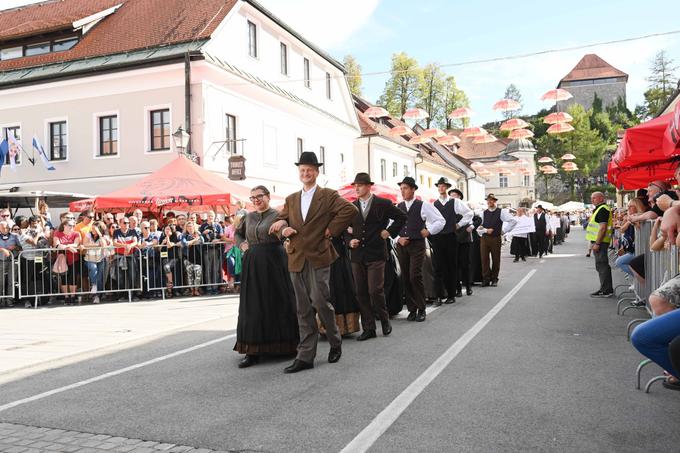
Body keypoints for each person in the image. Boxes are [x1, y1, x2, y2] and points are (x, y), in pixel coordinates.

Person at [269, 151, 357, 373]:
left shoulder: (327, 195)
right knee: (303, 308)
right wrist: (283, 228)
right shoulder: (291, 199)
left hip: (319, 255)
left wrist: (330, 231)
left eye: (309, 170)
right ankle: (305, 356)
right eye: (302, 170)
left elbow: (349, 210)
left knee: (319, 302)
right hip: (296, 257)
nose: (305, 173)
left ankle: (335, 341)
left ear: (317, 172)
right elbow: (280, 219)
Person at [233, 185, 299, 368]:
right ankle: (252, 351)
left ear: (268, 197)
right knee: (253, 306)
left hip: (274, 262)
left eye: (259, 196)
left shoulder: (277, 215)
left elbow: (283, 229)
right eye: (252, 197)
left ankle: (285, 346)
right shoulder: (248, 217)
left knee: (278, 302)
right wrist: (242, 245)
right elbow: (237, 234)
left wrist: (284, 231)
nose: (256, 200)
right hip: (252, 263)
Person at [347, 172, 407, 341]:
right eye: (355, 185)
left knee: (375, 290)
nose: (356, 188)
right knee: (361, 292)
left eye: (359, 185)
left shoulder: (383, 203)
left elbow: (401, 217)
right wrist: (350, 241)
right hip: (357, 255)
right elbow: (345, 228)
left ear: (368, 186)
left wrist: (389, 232)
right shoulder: (351, 206)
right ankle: (369, 328)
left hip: (376, 253)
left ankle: (385, 319)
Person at [395, 176, 445, 322]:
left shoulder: (423, 206)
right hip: (402, 245)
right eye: (401, 189)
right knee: (405, 277)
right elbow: (391, 226)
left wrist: (429, 230)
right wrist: (398, 238)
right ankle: (412, 309)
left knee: (414, 275)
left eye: (405, 188)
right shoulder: (398, 207)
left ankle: (421, 308)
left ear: (413, 190)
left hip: (417, 244)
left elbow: (440, 220)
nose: (402, 191)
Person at [430, 178, 473, 306]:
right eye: (439, 186)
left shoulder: (454, 202)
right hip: (438, 237)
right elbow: (429, 219)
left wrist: (459, 224)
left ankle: (451, 294)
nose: (441, 188)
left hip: (450, 236)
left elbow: (469, 213)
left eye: (443, 186)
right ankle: (438, 295)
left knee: (451, 266)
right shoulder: (434, 204)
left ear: (447, 187)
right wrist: (432, 230)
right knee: (438, 266)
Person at [478, 194, 515, 287]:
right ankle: (486, 279)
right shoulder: (483, 213)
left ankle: (494, 279)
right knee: (484, 259)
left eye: (491, 200)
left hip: (495, 238)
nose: (489, 202)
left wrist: (504, 231)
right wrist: (483, 229)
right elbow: (478, 227)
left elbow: (513, 221)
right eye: (488, 200)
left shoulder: (501, 212)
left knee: (496, 259)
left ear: (495, 201)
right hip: (484, 238)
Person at [586, 191, 613, 298]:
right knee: (602, 265)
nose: (592, 200)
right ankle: (606, 288)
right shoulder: (600, 209)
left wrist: (597, 243)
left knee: (602, 265)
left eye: (594, 198)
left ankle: (605, 290)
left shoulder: (602, 209)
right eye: (591, 198)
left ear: (601, 198)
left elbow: (602, 228)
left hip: (600, 242)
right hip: (600, 241)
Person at [449, 189, 475, 296]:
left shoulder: (464, 207)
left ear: (459, 197)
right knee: (455, 264)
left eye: (454, 195)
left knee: (465, 264)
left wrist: (470, 226)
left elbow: (474, 217)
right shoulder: (449, 207)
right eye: (450, 196)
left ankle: (468, 286)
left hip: (464, 238)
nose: (452, 197)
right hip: (453, 238)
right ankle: (458, 289)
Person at [53, 219, 81, 305]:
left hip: (74, 258)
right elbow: (57, 244)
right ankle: (66, 297)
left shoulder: (76, 234)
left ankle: (72, 296)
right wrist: (68, 247)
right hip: (62, 259)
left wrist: (65, 246)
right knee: (64, 278)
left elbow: (76, 245)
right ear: (64, 225)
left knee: (73, 277)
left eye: (73, 225)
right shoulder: (57, 233)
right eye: (70, 225)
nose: (72, 227)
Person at [112, 216, 140, 300]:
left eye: (128, 223)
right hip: (119, 256)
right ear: (120, 224)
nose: (127, 224)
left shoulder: (132, 231)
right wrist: (125, 246)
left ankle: (133, 294)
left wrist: (129, 246)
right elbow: (114, 243)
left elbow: (135, 241)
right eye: (125, 223)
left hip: (130, 256)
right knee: (120, 277)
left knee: (132, 275)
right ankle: (122, 295)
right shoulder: (116, 232)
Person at [83, 222, 109, 304]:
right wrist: (97, 245)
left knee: (100, 277)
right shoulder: (88, 234)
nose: (92, 230)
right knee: (93, 269)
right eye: (92, 228)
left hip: (100, 258)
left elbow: (104, 245)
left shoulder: (104, 236)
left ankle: (98, 294)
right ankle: (94, 285)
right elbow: (85, 244)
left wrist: (99, 234)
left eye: (95, 228)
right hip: (89, 258)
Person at [199, 210, 224, 295]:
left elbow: (222, 236)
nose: (210, 217)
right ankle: (209, 287)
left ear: (214, 217)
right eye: (209, 216)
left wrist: (218, 239)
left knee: (215, 269)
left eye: (212, 216)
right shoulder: (203, 226)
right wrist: (203, 233)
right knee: (208, 269)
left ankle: (215, 287)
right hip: (206, 250)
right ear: (207, 217)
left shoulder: (218, 225)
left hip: (216, 249)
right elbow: (198, 236)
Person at [181, 221, 204, 296]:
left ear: (194, 227)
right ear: (186, 228)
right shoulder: (184, 235)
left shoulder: (198, 234)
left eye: (191, 226)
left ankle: (196, 289)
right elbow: (185, 243)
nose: (190, 228)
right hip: (187, 258)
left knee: (198, 274)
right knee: (189, 275)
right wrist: (194, 240)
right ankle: (192, 290)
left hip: (197, 257)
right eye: (188, 227)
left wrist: (196, 238)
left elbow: (202, 241)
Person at [0, 221, 20, 307]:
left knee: (11, 281)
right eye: (3, 227)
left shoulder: (14, 236)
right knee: (0, 281)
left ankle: (9, 300)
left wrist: (15, 247)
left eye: (7, 227)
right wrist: (2, 249)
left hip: (12, 260)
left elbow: (20, 247)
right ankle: (1, 299)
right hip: (1, 261)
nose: (5, 229)